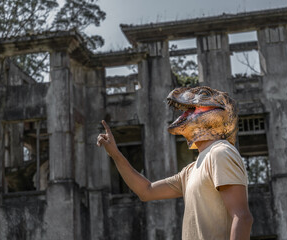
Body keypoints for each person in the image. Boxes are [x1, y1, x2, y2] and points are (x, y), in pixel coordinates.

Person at [97, 86, 253, 240]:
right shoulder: (191, 170)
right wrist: (115, 154)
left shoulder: (220, 153)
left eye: (204, 95)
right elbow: (146, 191)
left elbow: (242, 217)